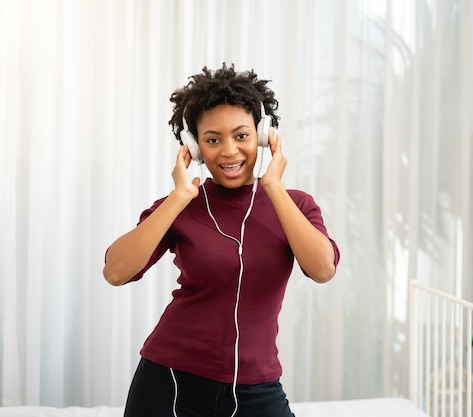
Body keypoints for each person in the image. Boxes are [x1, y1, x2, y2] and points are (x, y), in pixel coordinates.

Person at [103, 63, 340, 417]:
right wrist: (179, 197)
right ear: (194, 147)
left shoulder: (296, 205)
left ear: (262, 135)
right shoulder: (180, 205)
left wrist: (273, 185)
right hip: (170, 379)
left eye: (242, 135)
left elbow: (322, 269)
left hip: (256, 386)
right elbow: (116, 271)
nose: (229, 151)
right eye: (213, 140)